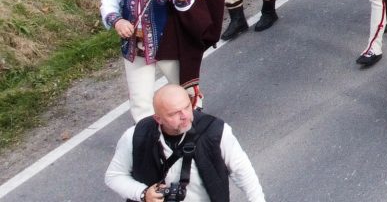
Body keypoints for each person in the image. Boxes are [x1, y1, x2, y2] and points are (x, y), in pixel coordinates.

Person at [102, 0, 221, 121]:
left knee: (185, 90)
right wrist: (117, 21)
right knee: (140, 102)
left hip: (169, 41)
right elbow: (107, 3)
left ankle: (194, 127)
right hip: (136, 45)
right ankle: (151, 141)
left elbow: (185, 5)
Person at [104, 85, 266, 202]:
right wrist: (143, 193)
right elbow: (114, 176)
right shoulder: (135, 136)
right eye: (174, 113)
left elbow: (242, 171)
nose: (185, 116)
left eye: (187, 107)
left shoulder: (217, 131)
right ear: (158, 119)